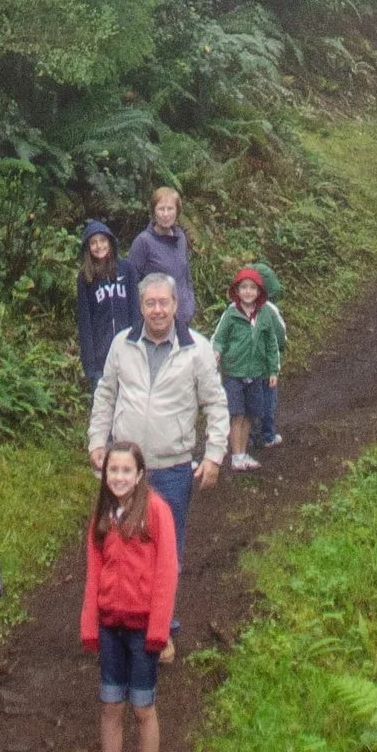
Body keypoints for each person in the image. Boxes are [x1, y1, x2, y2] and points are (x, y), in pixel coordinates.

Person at [86, 270, 226, 609]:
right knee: (120, 544)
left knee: (166, 550)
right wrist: (96, 441)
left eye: (164, 302)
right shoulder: (123, 343)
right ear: (141, 306)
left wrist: (214, 455)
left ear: (176, 304)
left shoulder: (197, 349)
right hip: (125, 470)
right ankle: (122, 617)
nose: (158, 310)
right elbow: (105, 394)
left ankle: (162, 626)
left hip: (173, 469)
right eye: (150, 303)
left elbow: (216, 402)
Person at [80, 436, 177, 752]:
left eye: (126, 470)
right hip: (110, 626)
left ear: (139, 475)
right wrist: (90, 624)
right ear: (105, 474)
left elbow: (167, 571)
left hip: (141, 630)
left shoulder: (155, 511)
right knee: (110, 706)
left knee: (143, 707)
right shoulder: (103, 515)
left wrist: (158, 629)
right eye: (112, 470)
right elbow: (93, 573)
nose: (118, 477)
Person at [211, 260, 284, 471]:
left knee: (250, 415)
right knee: (237, 414)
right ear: (236, 290)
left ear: (259, 291)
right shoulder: (231, 313)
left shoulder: (265, 314)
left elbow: (272, 343)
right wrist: (216, 352)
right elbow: (220, 338)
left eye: (252, 288)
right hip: (234, 372)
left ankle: (243, 454)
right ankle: (236, 455)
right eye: (244, 287)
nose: (248, 292)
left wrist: (272, 370)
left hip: (257, 372)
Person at [126, 180, 196, 328]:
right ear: (153, 212)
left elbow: (186, 276)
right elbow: (131, 284)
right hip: (156, 322)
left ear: (177, 211)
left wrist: (190, 305)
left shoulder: (181, 237)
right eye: (161, 209)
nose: (165, 214)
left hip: (183, 320)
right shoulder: (143, 242)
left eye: (170, 209)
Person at [75, 216, 134, 385]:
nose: (99, 246)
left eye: (102, 240)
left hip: (128, 352)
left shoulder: (127, 269)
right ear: (87, 247)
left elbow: (135, 309)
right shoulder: (85, 278)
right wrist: (90, 364)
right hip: (101, 356)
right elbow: (85, 322)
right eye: (93, 242)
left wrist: (137, 341)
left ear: (110, 241)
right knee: (102, 407)